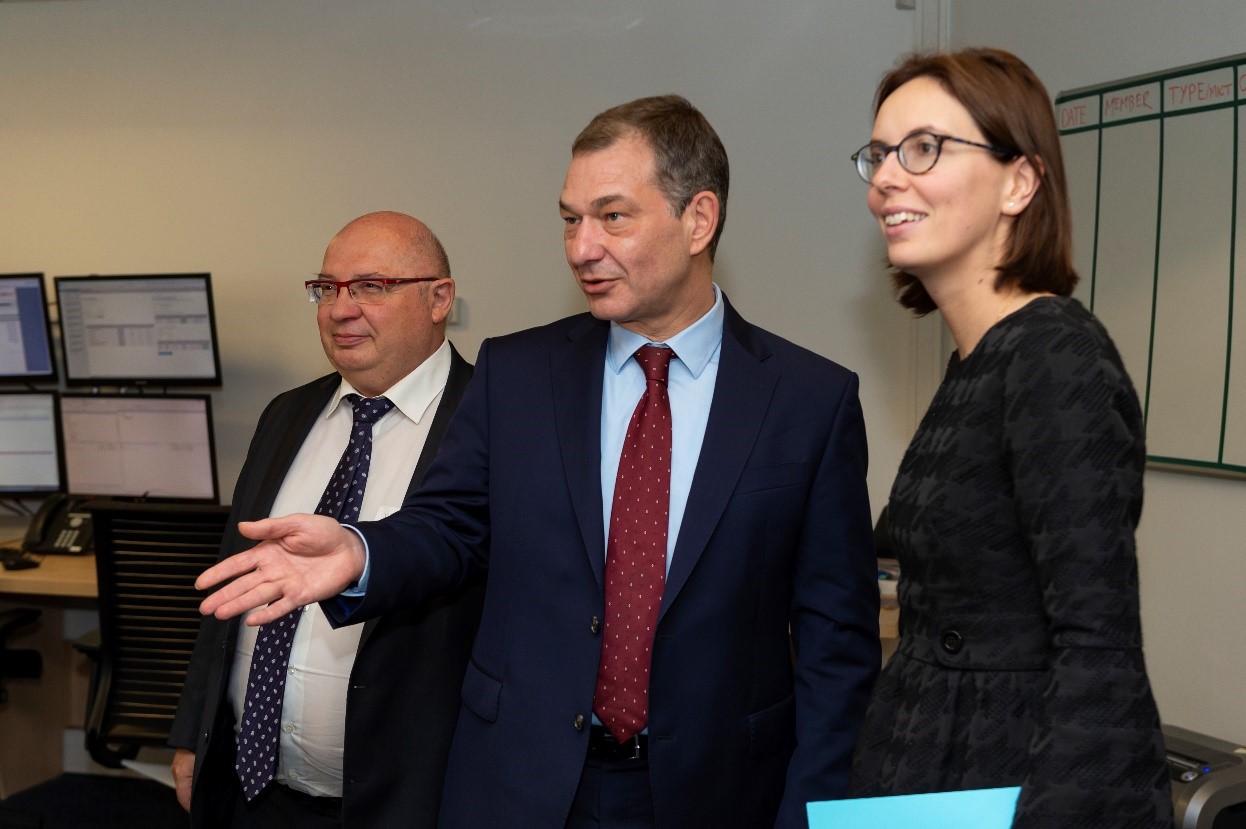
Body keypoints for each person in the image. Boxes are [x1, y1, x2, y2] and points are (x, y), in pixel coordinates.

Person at [196, 95, 880, 828]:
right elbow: (451, 526)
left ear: (698, 219)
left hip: (717, 792)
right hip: (519, 785)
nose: (582, 247)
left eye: (612, 216)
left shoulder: (809, 400)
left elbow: (836, 649)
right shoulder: (519, 373)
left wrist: (811, 813)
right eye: (570, 218)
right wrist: (362, 550)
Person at [845, 48, 1174, 827]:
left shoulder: (1055, 352)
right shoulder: (979, 358)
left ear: (1020, 182)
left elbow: (1097, 646)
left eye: (923, 147)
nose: (887, 177)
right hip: (933, 769)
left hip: (1012, 780)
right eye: (880, 154)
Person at [169, 211, 485, 828]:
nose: (341, 309)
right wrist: (192, 730)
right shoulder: (287, 414)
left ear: (439, 298)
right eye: (327, 289)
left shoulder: (491, 423)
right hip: (251, 792)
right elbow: (233, 586)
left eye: (371, 286)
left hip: (410, 804)